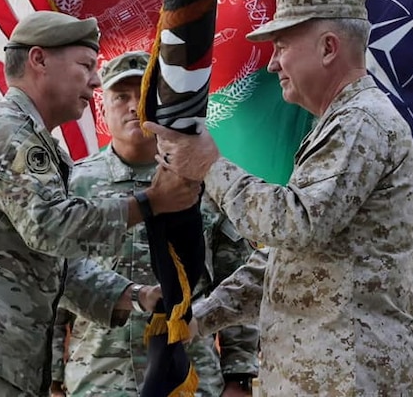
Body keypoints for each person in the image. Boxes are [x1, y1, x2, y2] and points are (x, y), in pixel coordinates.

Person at [145, 0, 413, 396]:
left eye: (281, 47)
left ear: (329, 48)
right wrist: (200, 318)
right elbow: (286, 259)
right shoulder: (342, 123)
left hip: (353, 380)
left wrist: (209, 166)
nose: (272, 65)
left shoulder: (360, 124)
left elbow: (295, 224)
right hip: (329, 377)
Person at [0, 11, 202, 397]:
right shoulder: (4, 129)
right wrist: (148, 203)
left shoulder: (33, 141)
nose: (95, 81)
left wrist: (136, 296)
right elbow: (49, 226)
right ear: (39, 60)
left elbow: (52, 263)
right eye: (85, 66)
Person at [48, 51, 259, 397]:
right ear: (103, 110)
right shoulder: (73, 186)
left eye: (144, 97)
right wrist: (52, 379)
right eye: (120, 97)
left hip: (189, 377)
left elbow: (235, 278)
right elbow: (54, 284)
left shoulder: (204, 181)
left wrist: (239, 376)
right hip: (99, 380)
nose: (133, 106)